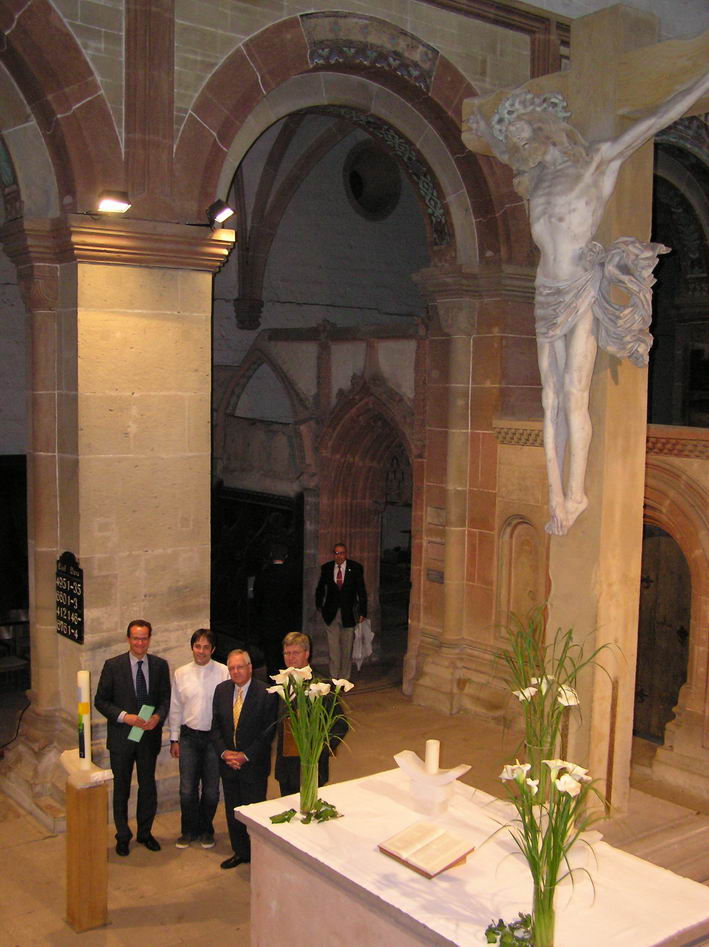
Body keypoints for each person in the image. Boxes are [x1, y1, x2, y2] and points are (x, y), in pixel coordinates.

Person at [466, 71, 709, 536]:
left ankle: (573, 493)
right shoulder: (535, 185)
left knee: (574, 395)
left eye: (521, 136)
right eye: (514, 143)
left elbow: (658, 117)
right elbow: (487, 142)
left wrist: (701, 82)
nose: (519, 148)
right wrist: (483, 118)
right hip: (545, 290)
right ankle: (555, 495)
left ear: (542, 129)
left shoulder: (597, 164)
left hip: (579, 284)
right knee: (548, 397)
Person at [95, 619, 171, 856]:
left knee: (148, 786)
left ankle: (145, 832)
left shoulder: (159, 665)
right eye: (136, 638)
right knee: (122, 788)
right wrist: (123, 716)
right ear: (128, 639)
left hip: (148, 736)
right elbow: (101, 701)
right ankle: (122, 835)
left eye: (144, 638)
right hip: (122, 737)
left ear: (149, 639)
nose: (140, 643)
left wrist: (158, 717)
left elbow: (165, 699)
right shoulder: (113, 666)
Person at [210, 649, 277, 869]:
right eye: (231, 668)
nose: (236, 672)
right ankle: (240, 851)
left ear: (250, 668)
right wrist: (224, 753)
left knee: (254, 812)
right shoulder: (221, 691)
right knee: (233, 810)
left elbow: (268, 732)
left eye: (240, 667)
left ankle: (258, 854)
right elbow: (216, 727)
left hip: (253, 765)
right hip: (228, 764)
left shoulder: (266, 692)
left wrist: (245, 755)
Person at [168, 628, 229, 849]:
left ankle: (206, 829)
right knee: (187, 788)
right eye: (197, 646)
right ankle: (188, 830)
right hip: (189, 737)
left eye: (205, 647)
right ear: (192, 647)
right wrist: (174, 739)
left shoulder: (223, 672)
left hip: (214, 739)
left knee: (212, 789)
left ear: (212, 649)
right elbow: (175, 707)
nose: (201, 651)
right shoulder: (181, 673)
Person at [274, 632, 349, 797]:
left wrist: (318, 750)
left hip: (310, 767)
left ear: (307, 653)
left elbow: (340, 724)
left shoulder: (321, 684)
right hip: (286, 768)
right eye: (287, 653)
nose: (290, 658)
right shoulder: (282, 681)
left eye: (295, 653)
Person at [315, 542, 367, 679]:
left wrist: (363, 612)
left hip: (348, 613)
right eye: (337, 553)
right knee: (333, 649)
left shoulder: (355, 568)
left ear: (346, 554)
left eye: (342, 553)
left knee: (346, 648)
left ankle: (344, 678)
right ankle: (334, 676)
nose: (339, 556)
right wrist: (319, 605)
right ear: (334, 554)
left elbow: (361, 591)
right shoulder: (326, 568)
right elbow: (320, 588)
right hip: (331, 613)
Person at [252, 543, 301, 678]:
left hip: (269, 623)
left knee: (272, 655)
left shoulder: (263, 575)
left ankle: (273, 680)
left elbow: (257, 601)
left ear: (271, 556)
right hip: (287, 623)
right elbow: (296, 601)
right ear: (285, 556)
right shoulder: (292, 576)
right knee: (287, 654)